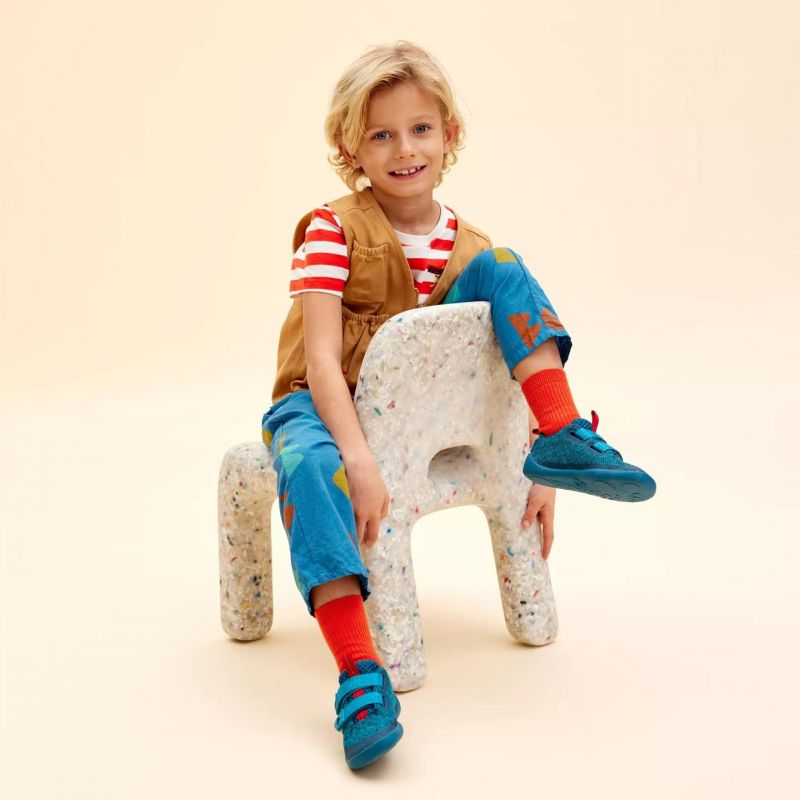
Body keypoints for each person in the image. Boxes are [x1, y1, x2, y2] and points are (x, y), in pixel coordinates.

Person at [260, 40, 656, 769]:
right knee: (312, 470)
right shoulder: (331, 230)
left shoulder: (468, 247)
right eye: (381, 134)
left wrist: (528, 458)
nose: (404, 149)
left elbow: (491, 368)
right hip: (322, 406)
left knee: (506, 267)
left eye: (420, 129)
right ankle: (360, 675)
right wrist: (358, 458)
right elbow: (318, 363)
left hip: (421, 418)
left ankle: (562, 432)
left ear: (450, 135)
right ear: (351, 149)